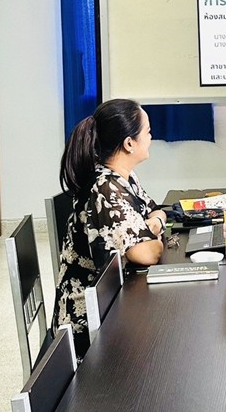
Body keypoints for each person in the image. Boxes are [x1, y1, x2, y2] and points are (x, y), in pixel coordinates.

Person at [51, 98, 166, 356]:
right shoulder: (105, 189)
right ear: (129, 143)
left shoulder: (124, 177)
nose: (151, 137)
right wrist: (154, 234)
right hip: (88, 323)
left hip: (109, 298)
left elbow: (156, 210)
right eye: (147, 132)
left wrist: (154, 224)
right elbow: (146, 253)